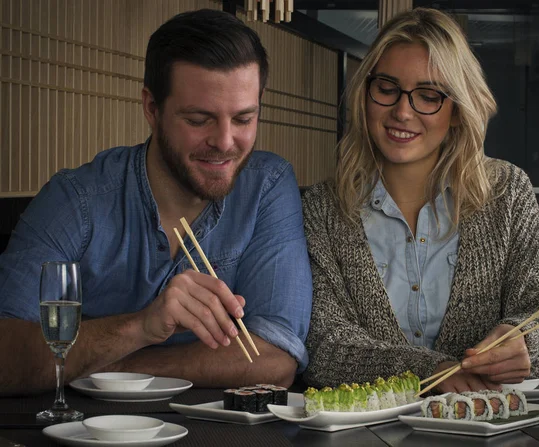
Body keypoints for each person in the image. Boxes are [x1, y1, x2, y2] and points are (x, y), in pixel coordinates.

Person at [0, 9, 312, 395]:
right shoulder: (77, 200)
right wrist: (141, 327)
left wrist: (109, 368)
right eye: (199, 120)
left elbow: (275, 359)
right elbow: (6, 354)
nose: (226, 142)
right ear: (152, 108)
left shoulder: (266, 186)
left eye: (244, 119)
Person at [301, 8, 539, 393]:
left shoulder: (506, 191)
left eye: (429, 96)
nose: (403, 112)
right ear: (364, 95)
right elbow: (323, 347)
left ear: (456, 109)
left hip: (486, 430)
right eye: (386, 88)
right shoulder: (321, 209)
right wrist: (433, 371)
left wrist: (527, 342)